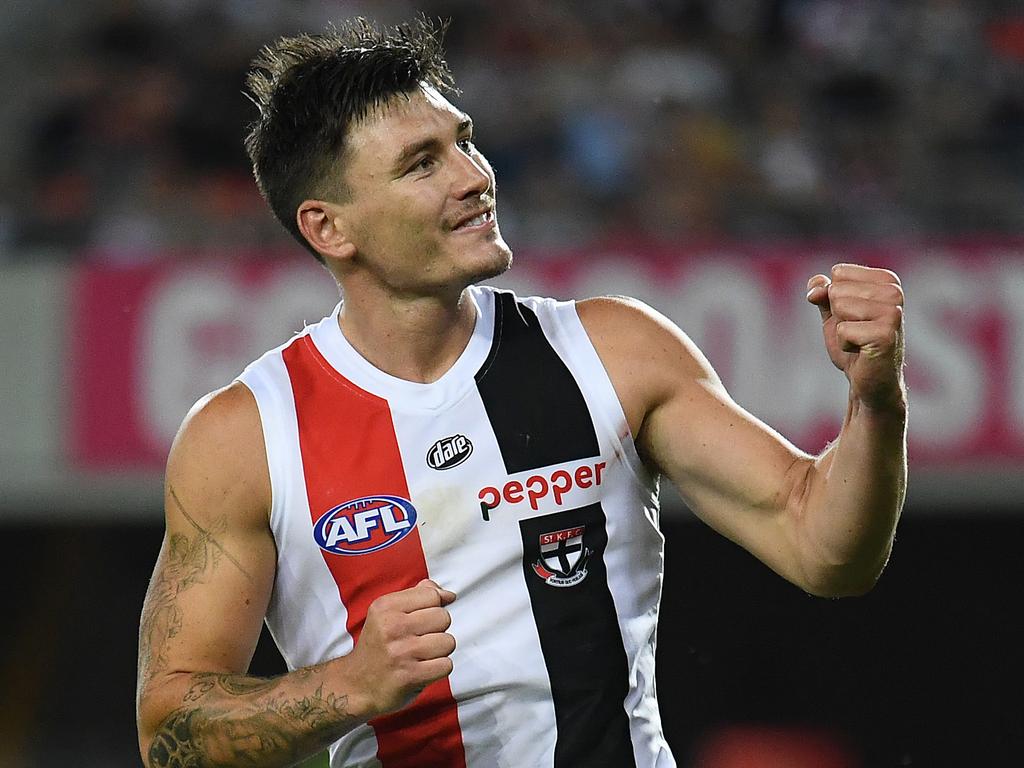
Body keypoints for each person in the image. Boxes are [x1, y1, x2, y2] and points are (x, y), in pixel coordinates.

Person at [135, 17, 907, 768]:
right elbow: (170, 734)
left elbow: (826, 551)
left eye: (464, 142)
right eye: (421, 164)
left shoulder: (613, 351)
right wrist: (345, 688)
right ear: (329, 228)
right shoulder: (246, 435)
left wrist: (875, 403)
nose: (474, 178)